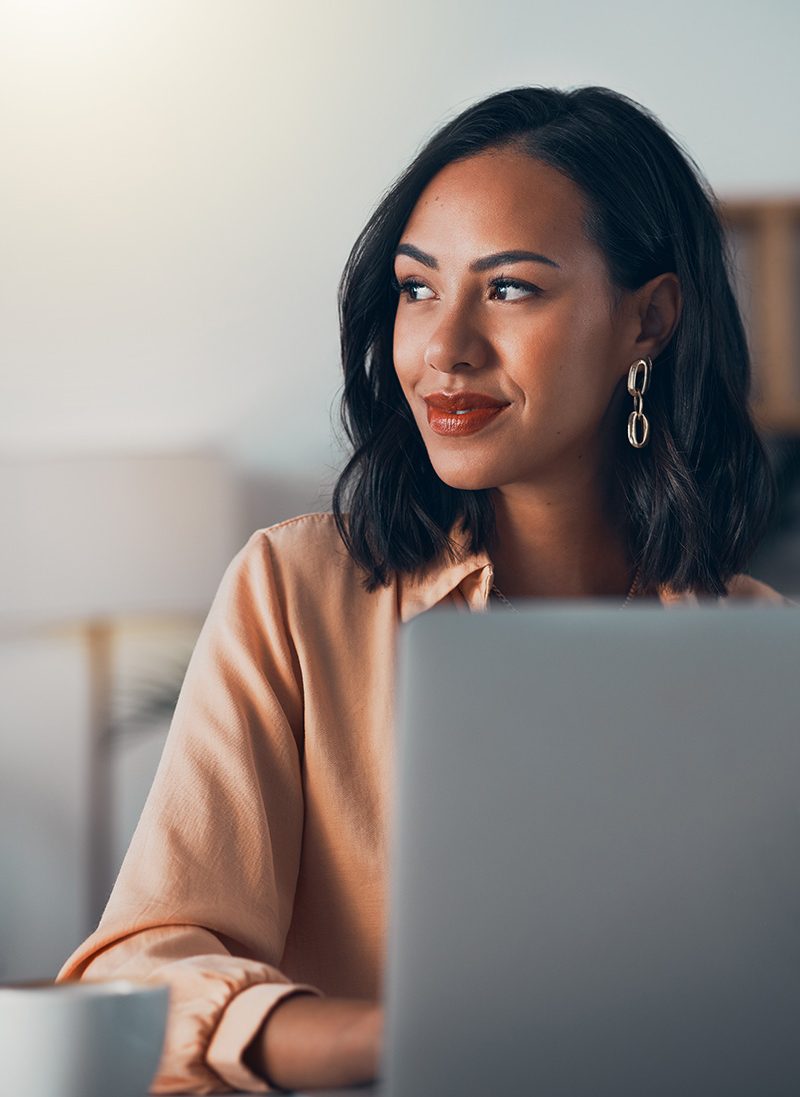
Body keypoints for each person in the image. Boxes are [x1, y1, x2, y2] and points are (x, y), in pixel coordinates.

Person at [57, 85, 789, 1093]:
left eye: (508, 289)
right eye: (414, 288)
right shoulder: (295, 589)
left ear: (647, 320)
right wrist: (394, 1039)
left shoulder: (755, 646)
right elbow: (141, 967)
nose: (443, 348)